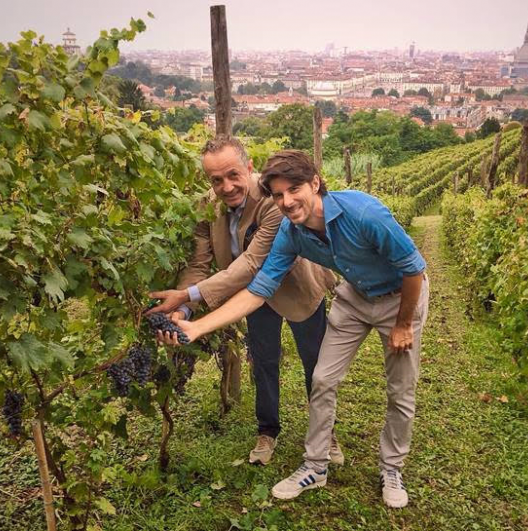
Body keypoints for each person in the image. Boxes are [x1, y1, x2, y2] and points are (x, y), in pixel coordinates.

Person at [172, 149, 429, 509]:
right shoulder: (291, 233)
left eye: (294, 189)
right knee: (322, 379)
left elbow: (413, 268)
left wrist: (403, 324)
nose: (287, 201)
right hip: (354, 296)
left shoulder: (364, 213)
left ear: (315, 183)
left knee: (400, 390)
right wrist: (197, 328)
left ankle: (391, 468)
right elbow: (258, 289)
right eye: (278, 195)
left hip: (400, 297)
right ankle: (315, 466)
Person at [149, 137, 341, 466]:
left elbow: (252, 263)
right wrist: (182, 309)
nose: (226, 186)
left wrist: (187, 296)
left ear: (249, 168)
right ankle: (267, 431)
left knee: (316, 365)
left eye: (233, 175)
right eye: (216, 179)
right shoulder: (206, 207)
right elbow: (198, 265)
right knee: (263, 362)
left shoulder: (272, 200)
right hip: (250, 298)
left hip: (296, 289)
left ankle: (326, 432)